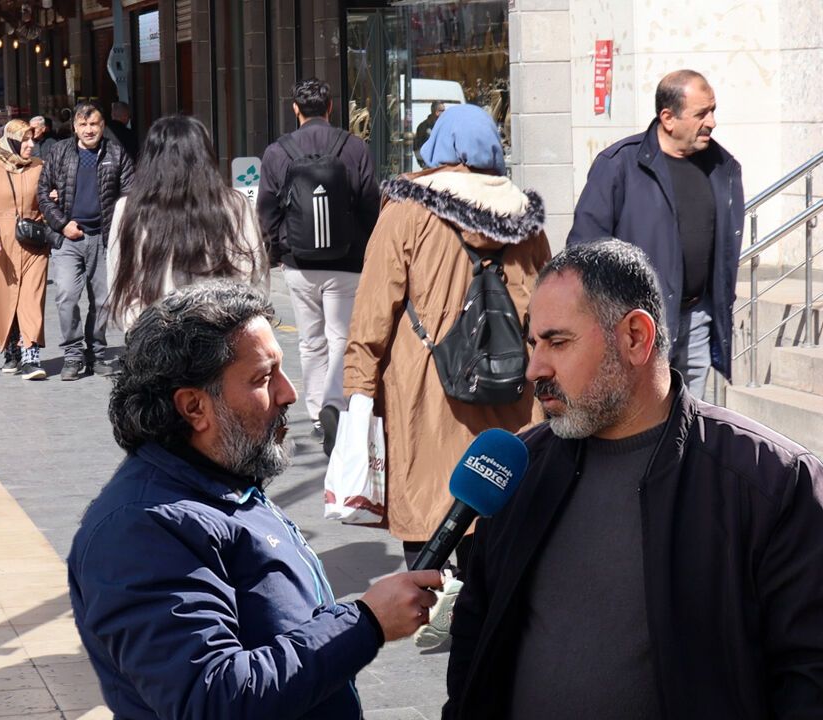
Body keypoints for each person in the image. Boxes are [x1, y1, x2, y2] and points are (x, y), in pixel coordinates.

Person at [445, 239, 823, 720]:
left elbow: (808, 677)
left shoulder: (770, 483)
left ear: (635, 338)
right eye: (533, 342)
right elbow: (476, 638)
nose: (535, 367)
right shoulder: (521, 469)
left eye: (557, 342)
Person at [69, 281, 445, 719]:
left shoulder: (224, 480)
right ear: (194, 407)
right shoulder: (140, 531)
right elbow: (213, 698)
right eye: (264, 378)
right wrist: (365, 622)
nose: (288, 393)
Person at [342, 104, 549, 643]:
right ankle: (489, 614)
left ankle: (435, 610)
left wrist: (358, 391)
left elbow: (372, 314)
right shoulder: (524, 219)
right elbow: (547, 313)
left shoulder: (406, 212)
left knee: (428, 504)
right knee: (497, 508)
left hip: (425, 391)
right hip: (511, 395)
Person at [568, 70, 744, 398]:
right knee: (638, 417)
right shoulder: (619, 165)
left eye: (713, 110)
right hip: (636, 328)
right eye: (701, 113)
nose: (712, 122)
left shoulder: (722, 167)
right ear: (668, 118)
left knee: (688, 416)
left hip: (697, 319)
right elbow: (583, 253)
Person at [257, 78, 381, 439]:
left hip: (299, 263)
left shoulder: (277, 152)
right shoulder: (354, 147)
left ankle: (316, 413)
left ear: (295, 109)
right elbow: (370, 204)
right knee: (341, 337)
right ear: (330, 108)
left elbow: (266, 211)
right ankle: (335, 404)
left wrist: (279, 250)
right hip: (347, 262)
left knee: (310, 340)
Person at [107, 115, 268, 329]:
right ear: (205, 155)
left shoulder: (130, 209)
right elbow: (256, 275)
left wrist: (139, 329)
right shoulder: (235, 205)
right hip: (223, 331)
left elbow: (120, 281)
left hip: (156, 332)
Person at [38, 101, 135, 381]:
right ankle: (72, 354)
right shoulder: (59, 152)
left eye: (94, 124)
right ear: (75, 127)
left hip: (104, 238)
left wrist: (119, 230)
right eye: (83, 124)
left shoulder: (116, 153)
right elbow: (43, 193)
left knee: (102, 300)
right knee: (66, 296)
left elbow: (129, 195)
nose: (89, 130)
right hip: (68, 238)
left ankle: (97, 353)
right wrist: (62, 224)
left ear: (103, 126)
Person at [0, 119, 50, 381]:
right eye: (25, 140)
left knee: (31, 298)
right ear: (12, 142)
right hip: (0, 244)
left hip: (33, 242)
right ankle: (11, 348)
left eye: (32, 139)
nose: (31, 145)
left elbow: (47, 200)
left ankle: (31, 355)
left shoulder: (39, 166)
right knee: (6, 298)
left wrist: (53, 200)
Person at [413, 101, 446, 167]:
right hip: (428, 165)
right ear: (437, 112)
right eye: (443, 111)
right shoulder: (423, 127)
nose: (445, 113)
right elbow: (417, 148)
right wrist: (423, 164)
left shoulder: (445, 125)